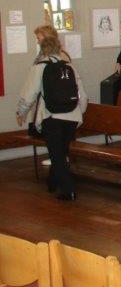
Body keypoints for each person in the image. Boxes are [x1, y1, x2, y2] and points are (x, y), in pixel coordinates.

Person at [16, 25, 87, 201]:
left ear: (43, 48)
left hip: (51, 116)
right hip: (71, 116)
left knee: (57, 155)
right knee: (60, 152)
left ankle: (68, 190)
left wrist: (21, 112)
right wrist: (79, 112)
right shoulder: (69, 66)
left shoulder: (39, 67)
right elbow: (81, 94)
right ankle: (52, 181)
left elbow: (29, 93)